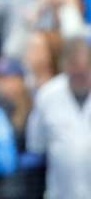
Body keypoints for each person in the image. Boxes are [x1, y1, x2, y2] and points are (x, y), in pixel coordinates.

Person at [27, 36, 91, 199]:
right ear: (65, 66)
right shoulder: (48, 95)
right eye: (76, 70)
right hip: (60, 192)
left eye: (85, 70)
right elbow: (36, 146)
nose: (80, 74)